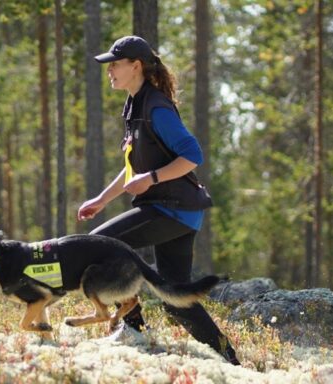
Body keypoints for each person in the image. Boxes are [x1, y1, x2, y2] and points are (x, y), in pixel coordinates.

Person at [78, 35, 240, 365]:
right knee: (175, 298)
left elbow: (193, 155)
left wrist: (150, 179)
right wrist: (102, 199)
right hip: (175, 211)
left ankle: (132, 329)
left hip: (173, 210)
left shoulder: (156, 108)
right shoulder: (135, 106)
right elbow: (132, 170)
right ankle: (231, 359)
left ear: (135, 66)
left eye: (115, 64)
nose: (109, 70)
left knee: (99, 245)